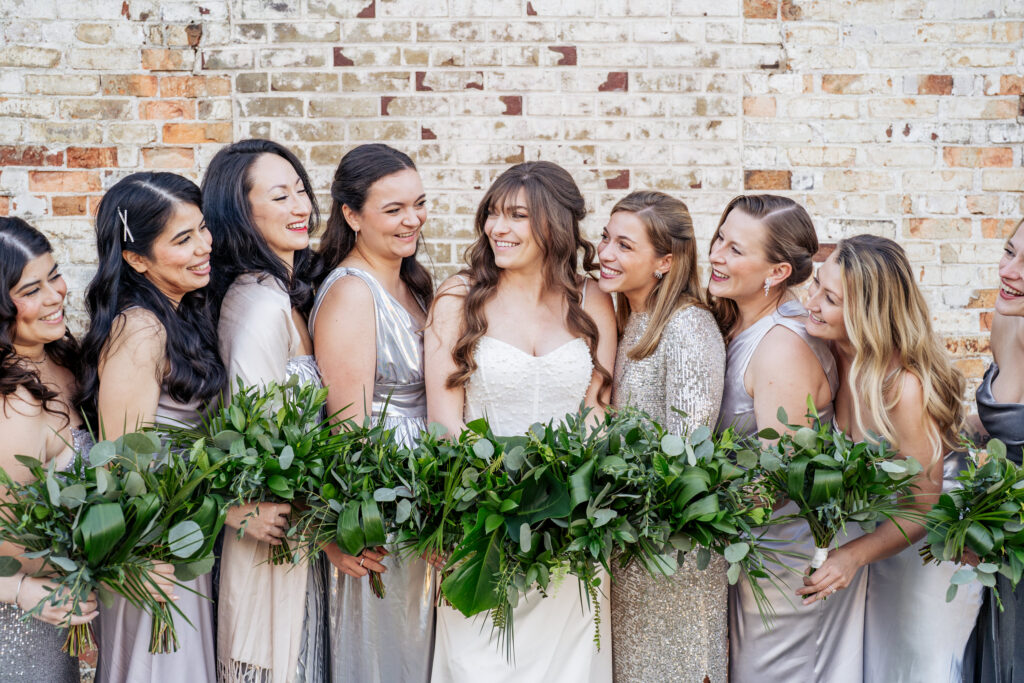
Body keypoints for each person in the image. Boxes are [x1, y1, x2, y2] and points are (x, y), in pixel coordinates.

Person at [425, 161, 617, 683]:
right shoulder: (459, 298)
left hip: (570, 533)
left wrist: (581, 504)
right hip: (483, 528)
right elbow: (444, 424)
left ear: (554, 224)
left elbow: (596, 411)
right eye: (492, 213)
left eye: (515, 216)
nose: (496, 228)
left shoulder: (591, 299)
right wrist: (470, 511)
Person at [802, 234, 983, 682]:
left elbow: (925, 505)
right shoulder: (833, 352)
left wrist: (852, 556)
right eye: (816, 286)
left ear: (868, 314)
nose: (811, 302)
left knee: (915, 666)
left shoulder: (903, 387)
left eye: (829, 298)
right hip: (879, 543)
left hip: (927, 553)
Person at [77, 173, 225, 683]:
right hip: (153, 552)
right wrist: (145, 557)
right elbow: (120, 461)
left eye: (202, 229)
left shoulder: (180, 311)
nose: (204, 246)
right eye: (182, 240)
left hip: (181, 540)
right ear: (137, 259)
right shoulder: (139, 328)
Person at [708, 195, 862, 683]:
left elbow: (783, 476)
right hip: (756, 547)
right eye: (719, 239)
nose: (715, 255)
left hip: (787, 556)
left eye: (735, 249)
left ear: (775, 272)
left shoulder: (782, 347)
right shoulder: (752, 324)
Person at [202, 138, 328, 683]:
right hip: (272, 541)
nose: (300, 207)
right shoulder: (258, 306)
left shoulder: (283, 292)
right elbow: (257, 444)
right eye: (280, 197)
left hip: (300, 536)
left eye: (300, 190)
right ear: (240, 212)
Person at [309, 143, 436, 682]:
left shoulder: (411, 282)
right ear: (352, 215)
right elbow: (349, 432)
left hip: (426, 496)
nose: (413, 220)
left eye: (419, 204)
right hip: (383, 509)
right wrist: (356, 524)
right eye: (394, 210)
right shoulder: (352, 294)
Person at [597, 191, 727, 682]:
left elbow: (688, 459)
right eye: (607, 238)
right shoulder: (627, 322)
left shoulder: (688, 327)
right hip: (628, 551)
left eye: (625, 246)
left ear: (664, 262)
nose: (606, 253)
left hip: (669, 556)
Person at [0, 217, 98, 682]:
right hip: (20, 625)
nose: (56, 295)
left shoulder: (62, 359)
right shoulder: (12, 406)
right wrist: (19, 591)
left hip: (63, 610)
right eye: (31, 289)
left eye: (54, 275)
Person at [967, 218, 1024, 683]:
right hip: (1001, 543)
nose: (1010, 271)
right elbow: (997, 425)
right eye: (1010, 252)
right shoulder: (1006, 317)